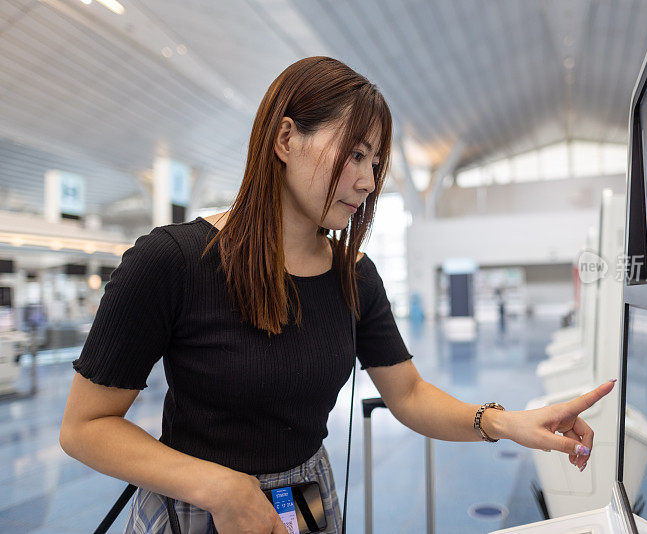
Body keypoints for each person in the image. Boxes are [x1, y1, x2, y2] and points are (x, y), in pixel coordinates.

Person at [58, 56, 615, 534]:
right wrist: (218, 487)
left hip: (309, 504)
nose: (369, 180)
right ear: (284, 139)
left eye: (376, 163)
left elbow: (410, 394)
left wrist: (504, 421)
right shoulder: (172, 261)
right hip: (194, 507)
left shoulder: (355, 277)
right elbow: (85, 427)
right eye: (354, 154)